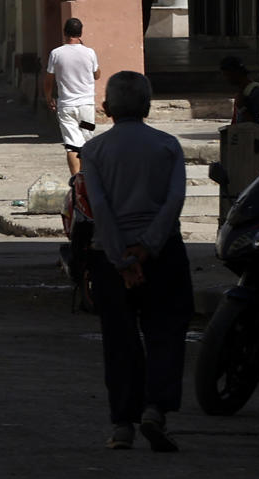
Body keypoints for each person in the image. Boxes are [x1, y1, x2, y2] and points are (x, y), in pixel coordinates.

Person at [81, 70, 191, 452]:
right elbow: (174, 202)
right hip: (163, 255)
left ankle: (122, 425)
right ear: (148, 106)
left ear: (107, 108)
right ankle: (156, 411)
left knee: (120, 339)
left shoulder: (93, 151)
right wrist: (148, 246)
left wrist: (123, 258)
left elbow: (100, 209)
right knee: (165, 333)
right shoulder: (168, 146)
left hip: (111, 259)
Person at [45, 17, 100, 176]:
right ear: (81, 33)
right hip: (87, 108)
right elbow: (97, 75)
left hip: (66, 107)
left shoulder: (56, 53)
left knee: (71, 145)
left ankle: (76, 180)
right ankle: (88, 177)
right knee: (87, 140)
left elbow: (48, 80)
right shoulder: (90, 52)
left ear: (64, 33)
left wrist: (49, 98)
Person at [220, 55, 259, 125]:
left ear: (235, 72)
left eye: (226, 75)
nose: (226, 79)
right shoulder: (242, 92)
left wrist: (242, 108)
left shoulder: (256, 92)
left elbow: (258, 126)